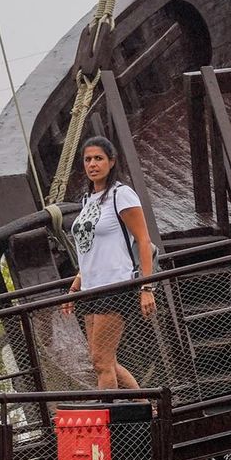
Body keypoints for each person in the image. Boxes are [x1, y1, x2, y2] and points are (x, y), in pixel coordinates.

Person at [61, 135, 157, 390]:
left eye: (98, 158)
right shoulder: (87, 200)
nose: (92, 164)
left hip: (115, 286)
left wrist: (147, 287)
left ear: (111, 162)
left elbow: (143, 240)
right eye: (87, 160)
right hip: (90, 289)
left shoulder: (121, 195)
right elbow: (91, 250)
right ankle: (146, 406)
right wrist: (75, 286)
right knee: (106, 361)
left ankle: (111, 413)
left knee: (101, 361)